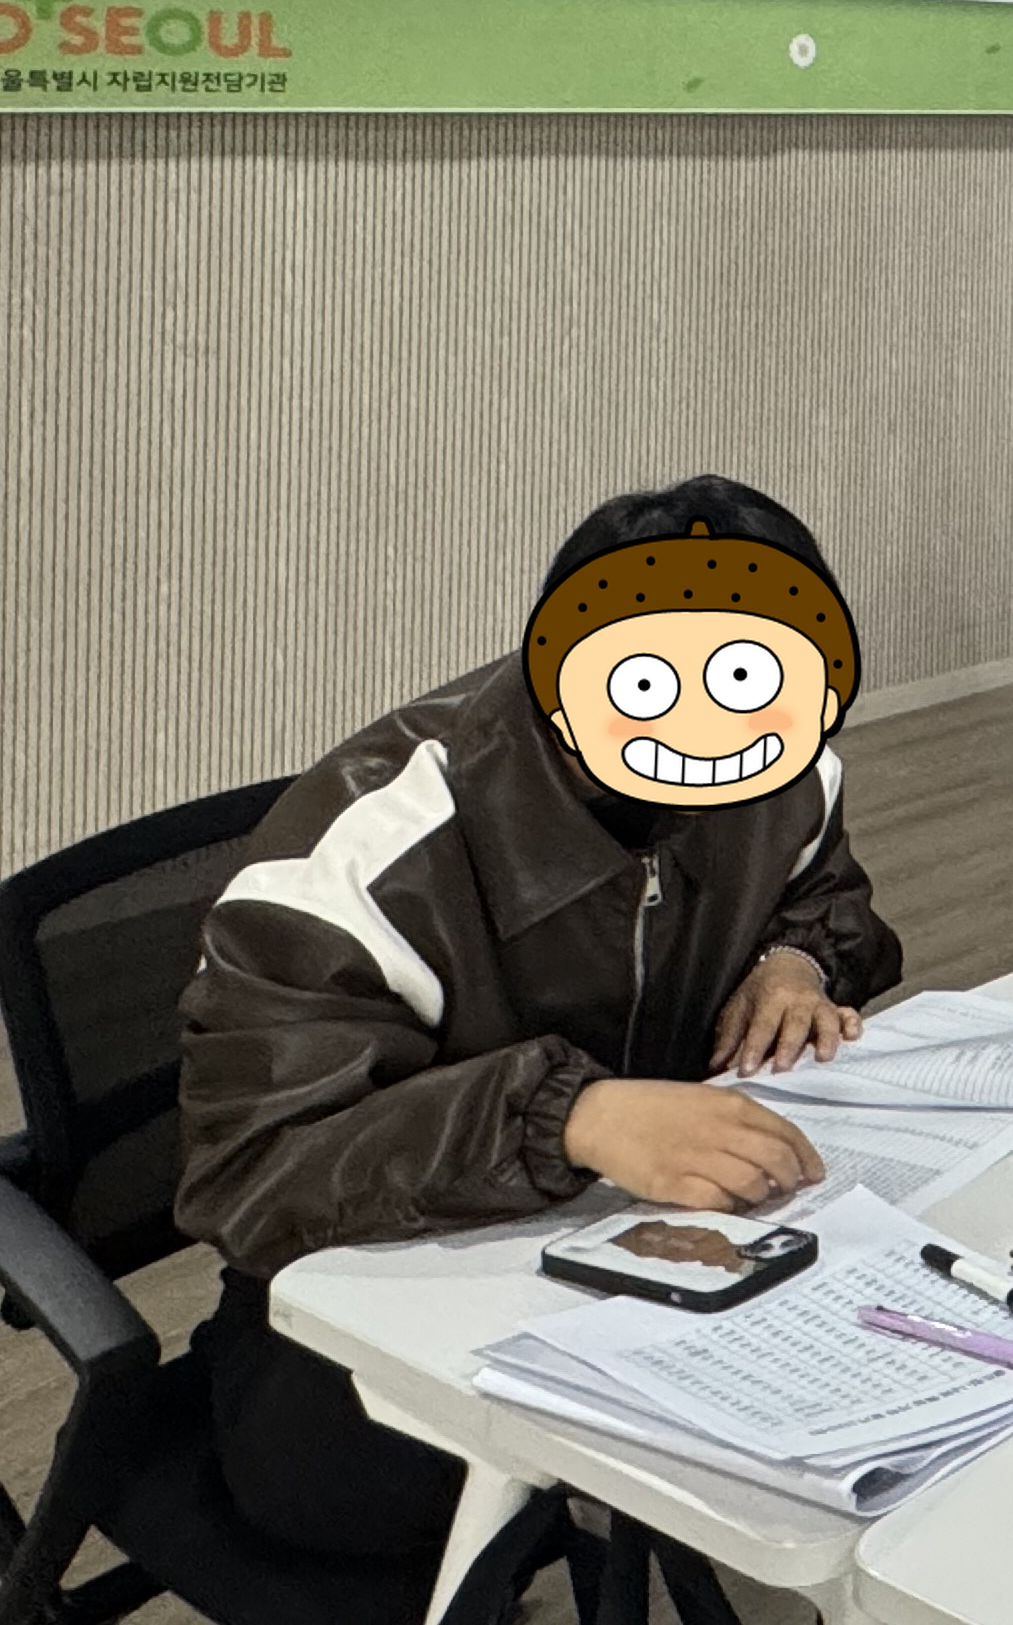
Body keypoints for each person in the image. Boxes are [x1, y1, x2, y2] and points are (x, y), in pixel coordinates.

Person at [177, 478, 899, 1567]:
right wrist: (568, 1115)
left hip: (640, 1242)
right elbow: (251, 1168)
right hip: (363, 1312)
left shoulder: (777, 767)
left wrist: (795, 960)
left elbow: (822, 892)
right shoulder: (376, 847)